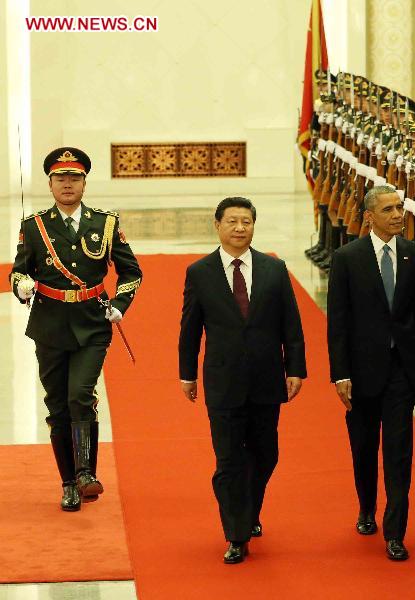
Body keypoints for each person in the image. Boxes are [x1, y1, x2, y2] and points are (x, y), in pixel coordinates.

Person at [10, 147, 142, 512]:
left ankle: (86, 474)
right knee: (57, 404)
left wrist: (119, 305)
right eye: (60, 178)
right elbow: (19, 270)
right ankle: (68, 482)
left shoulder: (106, 223)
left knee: (80, 394)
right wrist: (21, 284)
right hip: (49, 324)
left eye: (74, 178)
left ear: (85, 181)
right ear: (50, 184)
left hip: (91, 324)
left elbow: (132, 272)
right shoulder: (34, 226)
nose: (67, 184)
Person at [178, 196, 306, 564]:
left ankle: (249, 510)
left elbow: (291, 324)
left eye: (246, 221)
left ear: (254, 226)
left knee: (266, 455)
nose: (239, 228)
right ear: (217, 225)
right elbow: (190, 329)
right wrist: (187, 373)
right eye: (232, 221)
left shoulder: (273, 269)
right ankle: (236, 533)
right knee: (230, 460)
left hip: (267, 379)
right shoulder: (200, 272)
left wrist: (294, 368)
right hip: (223, 381)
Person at [327, 185, 415, 562]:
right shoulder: (347, 258)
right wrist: (340, 375)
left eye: (400, 207)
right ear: (370, 216)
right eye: (389, 209)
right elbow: (337, 321)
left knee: (399, 452)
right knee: (364, 448)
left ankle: (395, 532)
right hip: (360, 371)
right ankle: (366, 508)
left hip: (401, 371)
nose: (398, 214)